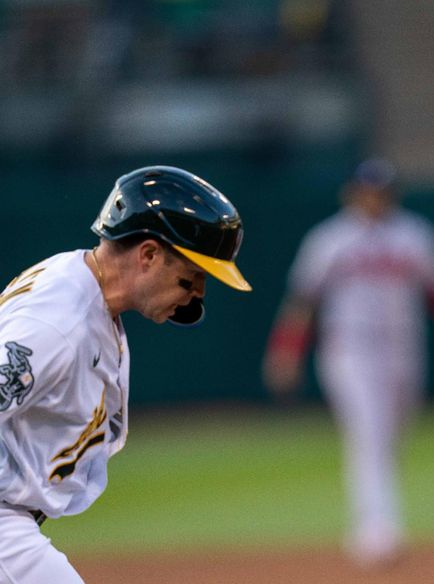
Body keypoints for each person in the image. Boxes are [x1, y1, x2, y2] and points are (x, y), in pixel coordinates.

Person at [0, 165, 252, 583]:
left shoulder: (82, 285)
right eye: (192, 278)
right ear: (149, 255)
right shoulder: (60, 323)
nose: (199, 294)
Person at [262, 157, 434, 567]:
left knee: (390, 433)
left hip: (403, 349)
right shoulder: (329, 240)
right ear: (352, 193)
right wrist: (286, 349)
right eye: (368, 190)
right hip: (349, 349)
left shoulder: (414, 234)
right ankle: (377, 532)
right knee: (370, 430)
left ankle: (375, 520)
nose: (375, 198)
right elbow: (303, 302)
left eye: (382, 191)